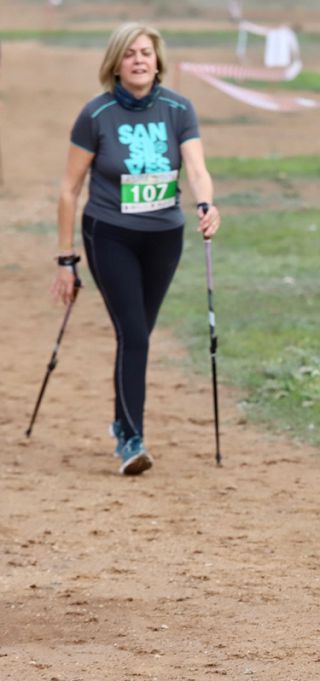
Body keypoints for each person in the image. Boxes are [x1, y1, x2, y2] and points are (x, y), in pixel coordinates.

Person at [50, 23, 220, 476]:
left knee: (138, 331)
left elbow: (198, 168)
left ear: (157, 60)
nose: (139, 60)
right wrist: (66, 260)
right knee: (135, 334)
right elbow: (69, 190)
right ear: (115, 63)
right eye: (130, 54)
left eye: (146, 52)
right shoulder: (95, 114)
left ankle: (122, 422)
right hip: (110, 233)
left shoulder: (178, 109)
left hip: (164, 235)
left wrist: (206, 203)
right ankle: (131, 438)